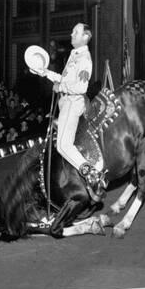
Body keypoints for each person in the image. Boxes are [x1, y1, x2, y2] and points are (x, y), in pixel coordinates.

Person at [37, 23, 106, 199]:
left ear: (86, 36)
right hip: (66, 102)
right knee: (61, 144)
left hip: (73, 103)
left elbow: (81, 86)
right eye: (72, 30)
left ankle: (91, 174)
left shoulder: (84, 58)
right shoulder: (74, 55)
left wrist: (61, 87)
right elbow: (64, 79)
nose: (71, 34)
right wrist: (45, 72)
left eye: (76, 32)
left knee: (63, 145)